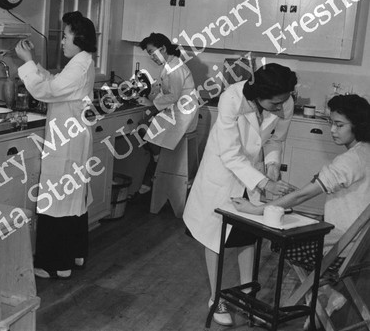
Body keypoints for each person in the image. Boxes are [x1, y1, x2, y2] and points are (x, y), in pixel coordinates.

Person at [232, 94, 370, 323]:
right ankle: (326, 294)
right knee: (294, 219)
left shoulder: (350, 160)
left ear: (358, 125)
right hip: (362, 249)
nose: (333, 130)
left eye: (339, 125)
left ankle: (323, 294)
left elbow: (304, 195)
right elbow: (312, 190)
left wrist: (257, 209)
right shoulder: (365, 152)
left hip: (341, 248)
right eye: (330, 123)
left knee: (279, 238)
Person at [183, 63, 298, 326]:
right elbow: (231, 154)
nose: (281, 108)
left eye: (284, 102)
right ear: (258, 95)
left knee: (249, 235)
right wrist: (264, 184)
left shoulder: (285, 101)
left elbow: (275, 140)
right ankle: (216, 297)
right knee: (215, 237)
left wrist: (271, 165)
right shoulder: (231, 100)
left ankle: (248, 296)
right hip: (223, 173)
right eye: (275, 103)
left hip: (254, 173)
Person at [15, 11, 96, 279]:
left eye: (65, 36)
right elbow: (54, 83)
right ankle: (74, 253)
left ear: (79, 38)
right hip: (72, 137)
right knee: (72, 199)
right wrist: (35, 64)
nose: (62, 41)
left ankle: (55, 264)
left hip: (67, 140)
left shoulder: (79, 65)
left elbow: (45, 91)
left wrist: (27, 64)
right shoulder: (80, 62)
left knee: (57, 199)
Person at [135, 32, 199, 196]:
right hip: (177, 110)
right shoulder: (170, 65)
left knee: (143, 126)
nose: (151, 57)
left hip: (183, 115)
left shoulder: (175, 67)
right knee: (147, 123)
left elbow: (174, 95)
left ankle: (157, 159)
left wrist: (152, 103)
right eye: (149, 54)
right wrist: (152, 98)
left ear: (163, 48)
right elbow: (167, 92)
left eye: (152, 52)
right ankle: (155, 162)